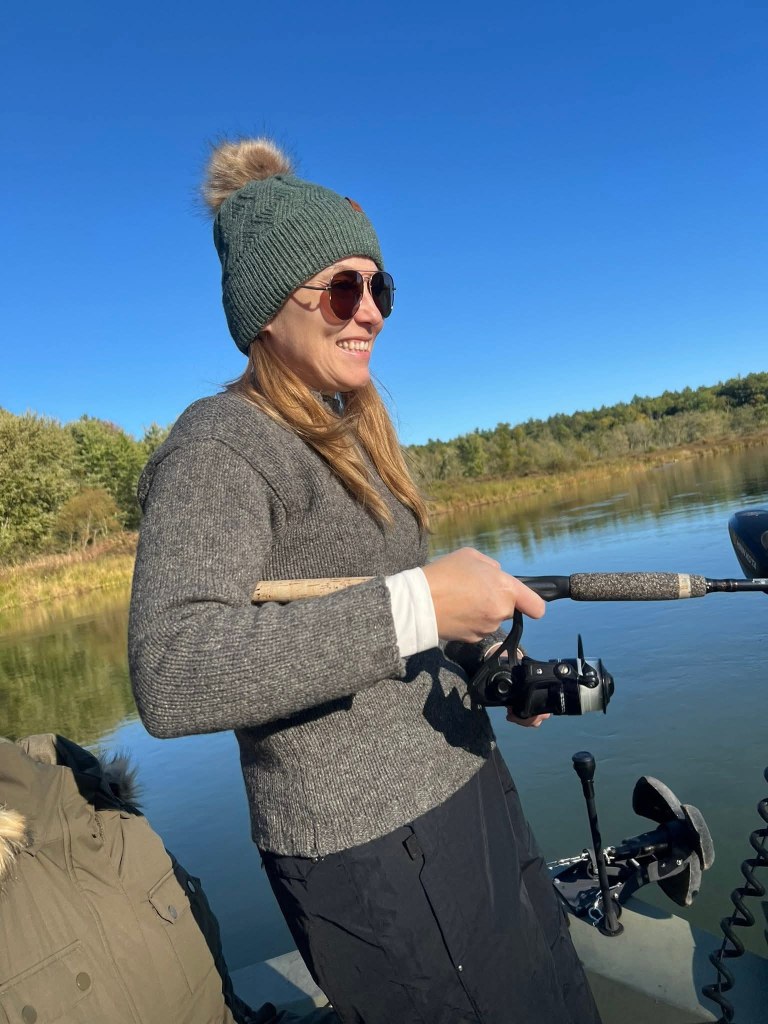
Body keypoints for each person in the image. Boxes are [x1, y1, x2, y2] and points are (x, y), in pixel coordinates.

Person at [128, 137, 602, 1024]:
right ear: (268, 306)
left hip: (467, 783)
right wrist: (419, 603)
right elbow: (174, 670)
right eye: (343, 289)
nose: (371, 312)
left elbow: (388, 624)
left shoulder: (353, 434)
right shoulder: (219, 445)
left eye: (380, 287)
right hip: (374, 853)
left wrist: (484, 666)